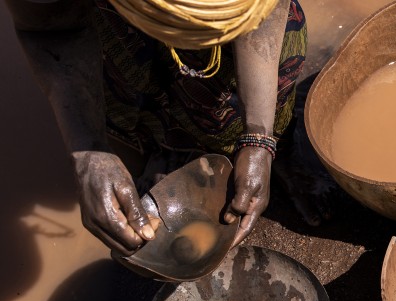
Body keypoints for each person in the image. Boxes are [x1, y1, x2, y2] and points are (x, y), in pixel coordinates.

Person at [4, 0, 307, 254]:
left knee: (239, 100)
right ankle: (167, 152)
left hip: (243, 24)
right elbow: (51, 31)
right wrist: (89, 151)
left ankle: (283, 153)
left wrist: (259, 137)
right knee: (137, 96)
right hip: (113, 25)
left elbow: (267, 10)